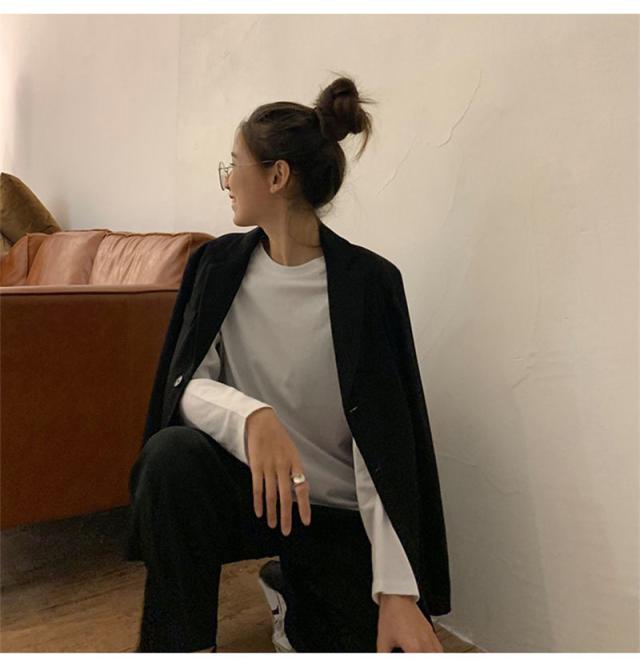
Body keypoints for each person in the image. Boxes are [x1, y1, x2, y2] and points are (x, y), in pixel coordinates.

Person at [124, 74, 450, 653]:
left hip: (337, 514)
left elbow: (386, 443)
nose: (227, 181)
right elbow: (187, 385)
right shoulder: (216, 267)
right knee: (171, 459)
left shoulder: (367, 285)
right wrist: (251, 417)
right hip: (252, 495)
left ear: (277, 176)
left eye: (234, 165)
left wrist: (398, 590)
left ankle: (286, 585)